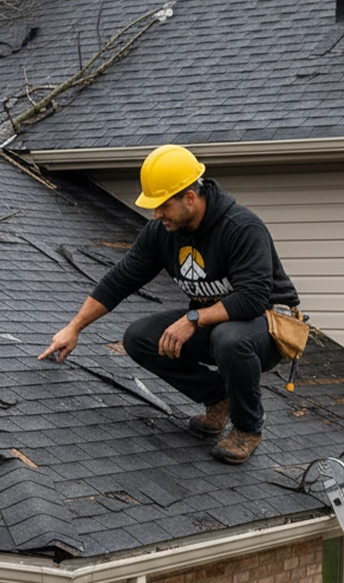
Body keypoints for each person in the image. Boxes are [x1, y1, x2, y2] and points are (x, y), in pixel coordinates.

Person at [38, 144, 300, 464]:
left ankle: (248, 429)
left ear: (189, 197)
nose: (156, 214)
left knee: (229, 339)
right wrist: (73, 328)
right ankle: (218, 398)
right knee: (141, 337)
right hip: (217, 320)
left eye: (162, 205)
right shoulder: (162, 233)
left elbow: (253, 298)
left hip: (270, 326)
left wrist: (191, 319)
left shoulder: (242, 228)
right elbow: (120, 279)